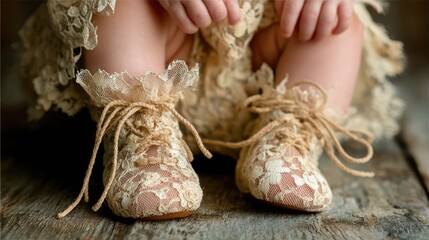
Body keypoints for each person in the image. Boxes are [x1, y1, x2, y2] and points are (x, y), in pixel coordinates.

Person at [20, 0, 405, 220]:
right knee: (118, 6)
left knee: (332, 20)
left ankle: (288, 140)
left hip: (266, 53)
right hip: (164, 46)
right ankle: (143, 137)